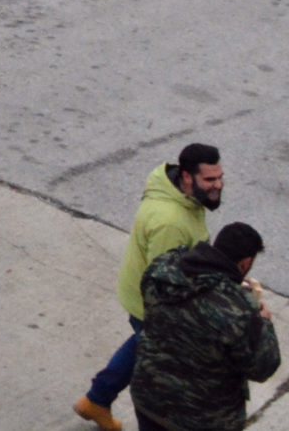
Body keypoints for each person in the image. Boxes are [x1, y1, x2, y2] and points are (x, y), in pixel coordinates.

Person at [73, 143, 226, 431]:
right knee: (157, 357)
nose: (218, 185)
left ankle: (96, 400)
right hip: (152, 303)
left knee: (140, 344)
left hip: (140, 293)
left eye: (219, 177)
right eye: (209, 179)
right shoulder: (171, 223)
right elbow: (165, 283)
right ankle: (99, 400)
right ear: (186, 177)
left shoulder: (179, 194)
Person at [127, 220, 279, 431]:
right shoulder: (239, 310)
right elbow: (263, 368)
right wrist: (264, 323)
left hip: (149, 398)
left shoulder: (163, 269)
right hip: (203, 419)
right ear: (245, 264)